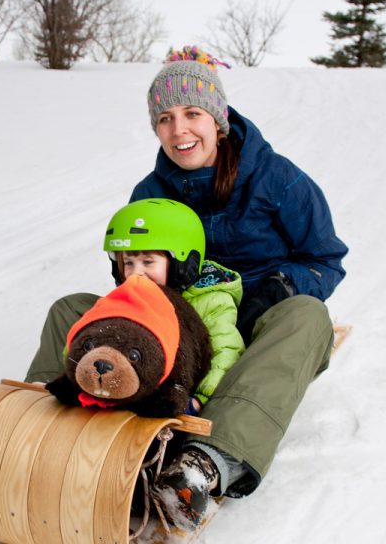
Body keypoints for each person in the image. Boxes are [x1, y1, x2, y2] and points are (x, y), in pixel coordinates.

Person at [24, 46, 348, 530]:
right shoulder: (150, 193)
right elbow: (132, 269)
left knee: (306, 316)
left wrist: (279, 288)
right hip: (176, 323)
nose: (180, 130)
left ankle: (206, 464)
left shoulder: (279, 180)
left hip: (256, 316)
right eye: (165, 118)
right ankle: (38, 426)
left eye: (193, 113)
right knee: (72, 308)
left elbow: (326, 259)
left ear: (217, 119)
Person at [102, 198, 245, 412]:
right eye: (128, 263)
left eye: (148, 262)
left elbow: (226, 352)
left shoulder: (211, 299)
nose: (135, 272)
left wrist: (199, 400)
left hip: (185, 397)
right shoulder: (131, 298)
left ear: (182, 263)